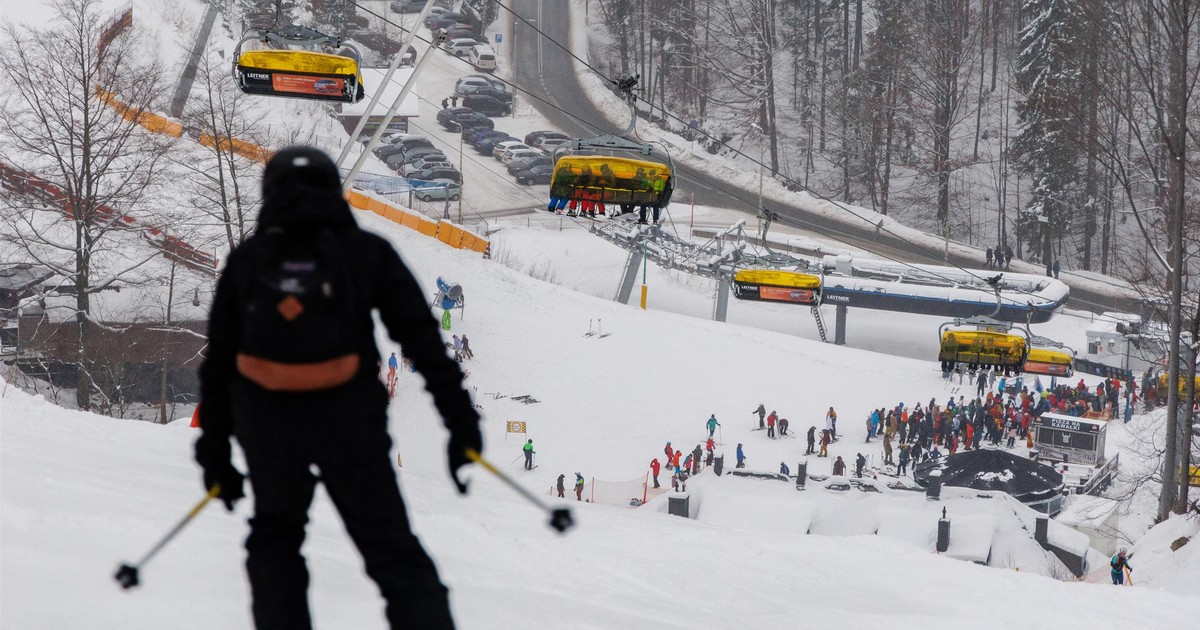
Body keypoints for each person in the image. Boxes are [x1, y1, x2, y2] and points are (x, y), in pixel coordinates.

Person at [194, 146, 479, 630]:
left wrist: (215, 452)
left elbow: (219, 364)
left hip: (268, 425)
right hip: (349, 423)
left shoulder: (248, 261)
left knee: (276, 545)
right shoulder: (366, 253)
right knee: (392, 550)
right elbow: (424, 343)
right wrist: (461, 424)